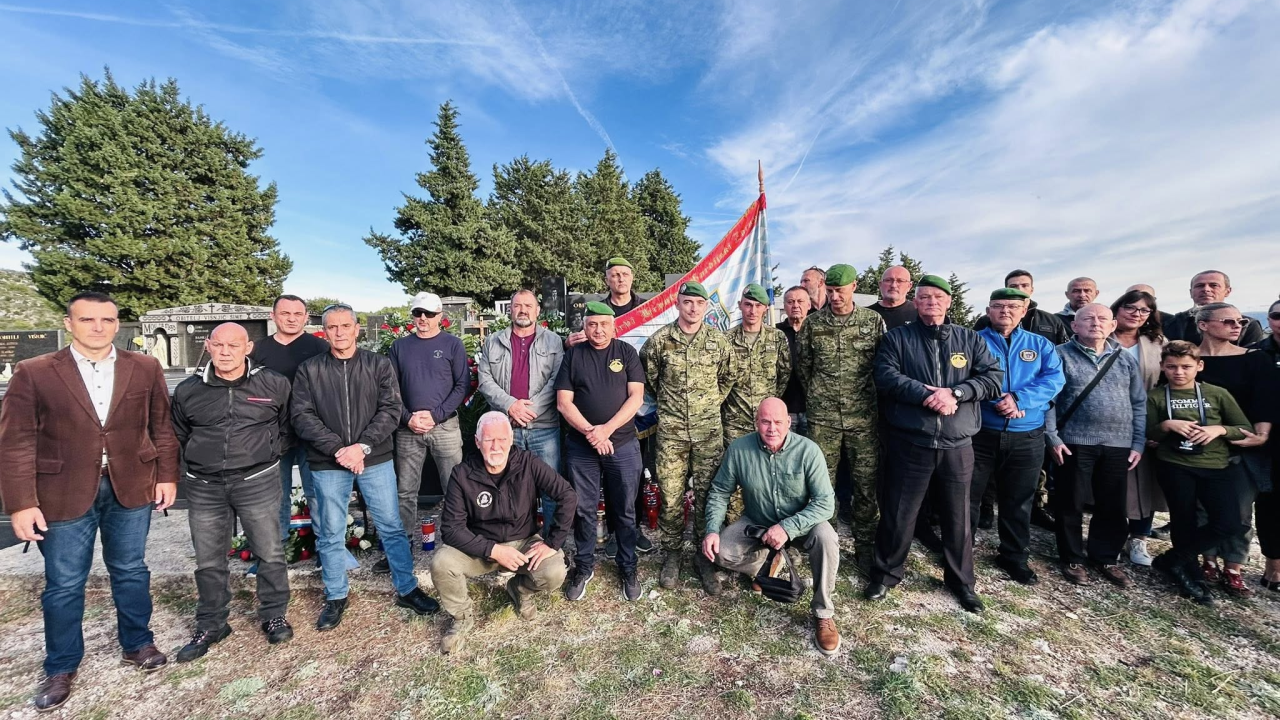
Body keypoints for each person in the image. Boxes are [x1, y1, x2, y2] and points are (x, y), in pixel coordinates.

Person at [0, 291, 179, 711]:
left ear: (117, 324)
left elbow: (162, 427)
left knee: (131, 570)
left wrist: (167, 476)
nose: (97, 327)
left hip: (130, 485)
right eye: (87, 320)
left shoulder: (145, 367)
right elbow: (16, 443)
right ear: (69, 324)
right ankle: (61, 665)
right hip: (62, 491)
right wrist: (22, 503)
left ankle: (137, 643)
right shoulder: (35, 372)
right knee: (64, 583)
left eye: (106, 320)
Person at [291, 304, 440, 630]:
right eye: (333, 327)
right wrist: (338, 449)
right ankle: (335, 595)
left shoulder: (378, 365)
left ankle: (406, 587)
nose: (340, 332)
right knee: (330, 532)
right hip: (328, 462)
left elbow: (390, 410)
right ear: (325, 331)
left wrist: (361, 447)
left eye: (346, 326)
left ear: (357, 329)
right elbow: (302, 416)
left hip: (374, 459)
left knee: (391, 525)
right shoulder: (310, 370)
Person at [866, 275, 1003, 612]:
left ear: (948, 302)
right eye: (924, 297)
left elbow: (993, 379)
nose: (930, 303)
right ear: (915, 302)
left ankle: (961, 582)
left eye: (936, 297)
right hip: (911, 440)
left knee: (958, 516)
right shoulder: (898, 338)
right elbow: (885, 376)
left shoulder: (969, 339)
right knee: (899, 513)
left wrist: (956, 393)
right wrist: (927, 395)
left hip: (957, 443)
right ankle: (885, 574)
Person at [170, 323, 294, 661]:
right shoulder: (187, 391)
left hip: (257, 481)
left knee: (269, 551)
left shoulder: (273, 383)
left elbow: (285, 428)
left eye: (233, 345)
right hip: (205, 485)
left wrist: (263, 454)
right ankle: (212, 623)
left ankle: (273, 614)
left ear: (247, 348)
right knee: (209, 559)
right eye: (219, 345)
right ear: (208, 346)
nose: (226, 352)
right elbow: (179, 435)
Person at [701, 399, 841, 655]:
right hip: (757, 521)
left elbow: (825, 503)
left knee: (827, 536)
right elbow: (720, 491)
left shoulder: (809, 451)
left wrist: (788, 528)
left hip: (800, 522)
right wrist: (711, 528)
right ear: (756, 423)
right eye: (765, 421)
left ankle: (823, 613)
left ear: (789, 423)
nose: (772, 428)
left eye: (778, 422)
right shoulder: (739, 449)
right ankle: (766, 565)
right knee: (721, 551)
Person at [432, 412, 575, 653]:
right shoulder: (462, 473)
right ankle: (461, 618)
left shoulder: (528, 463)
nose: (495, 446)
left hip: (523, 545)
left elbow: (567, 495)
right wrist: (493, 550)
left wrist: (552, 541)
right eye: (488, 440)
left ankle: (519, 590)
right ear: (477, 442)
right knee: (441, 562)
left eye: (501, 439)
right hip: (480, 549)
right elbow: (451, 529)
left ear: (511, 441)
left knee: (554, 571)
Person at [639, 281, 733, 592]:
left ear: (706, 307)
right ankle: (672, 555)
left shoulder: (718, 342)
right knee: (670, 496)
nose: (693, 308)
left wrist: (708, 404)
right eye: (687, 302)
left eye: (699, 303)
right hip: (672, 434)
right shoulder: (660, 341)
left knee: (708, 496)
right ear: (677, 304)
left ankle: (704, 556)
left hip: (708, 432)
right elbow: (650, 379)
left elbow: (728, 376)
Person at [1045, 303, 1146, 587]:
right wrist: (1052, 436)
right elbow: (1050, 399)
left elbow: (1138, 402)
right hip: (1074, 441)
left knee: (1112, 504)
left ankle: (1105, 557)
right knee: (1070, 501)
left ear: (1113, 325)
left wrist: (1137, 441)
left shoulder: (1125, 359)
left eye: (1102, 318)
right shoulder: (1060, 355)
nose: (1095, 323)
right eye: (1087, 318)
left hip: (1118, 443)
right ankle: (1072, 557)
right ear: (1074, 326)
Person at [969, 289, 1065, 585]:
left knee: (1018, 499)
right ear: (988, 310)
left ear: (1024, 311)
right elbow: (963, 378)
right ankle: (960, 550)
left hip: (1027, 435)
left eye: (1012, 306)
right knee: (967, 496)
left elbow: (1054, 379)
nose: (1005, 311)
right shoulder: (974, 340)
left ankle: (1013, 556)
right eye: (998, 306)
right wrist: (998, 400)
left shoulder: (1040, 345)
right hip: (980, 432)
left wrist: (1021, 401)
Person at [1147, 341, 1253, 604]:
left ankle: (1173, 559)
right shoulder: (1157, 396)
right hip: (1174, 465)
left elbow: (1243, 428)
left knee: (1228, 522)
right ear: (1162, 367)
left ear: (1199, 366)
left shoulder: (1217, 394)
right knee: (1183, 520)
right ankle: (1191, 576)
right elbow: (1148, 432)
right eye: (1171, 367)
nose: (1178, 372)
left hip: (1215, 466)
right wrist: (1166, 425)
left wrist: (1219, 430)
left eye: (1186, 367)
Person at [796, 264, 885, 567]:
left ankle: (865, 545)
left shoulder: (872, 322)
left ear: (854, 287)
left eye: (840, 291)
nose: (834, 297)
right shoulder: (812, 324)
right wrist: (820, 396)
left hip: (863, 417)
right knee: (823, 484)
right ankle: (826, 541)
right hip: (823, 418)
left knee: (865, 482)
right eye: (830, 291)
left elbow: (881, 367)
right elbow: (804, 367)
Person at [556, 302, 646, 602]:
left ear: (614, 325)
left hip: (622, 445)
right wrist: (591, 434)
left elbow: (636, 399)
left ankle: (628, 567)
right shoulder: (573, 356)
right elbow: (564, 402)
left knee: (625, 509)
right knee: (583, 510)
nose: (598, 330)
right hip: (582, 448)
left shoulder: (626, 353)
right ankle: (583, 567)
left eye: (604, 324)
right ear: (585, 326)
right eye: (592, 324)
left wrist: (605, 430)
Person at [1192, 302, 1276, 597]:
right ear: (1203, 325)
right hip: (1198, 444)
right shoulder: (1189, 358)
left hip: (1243, 442)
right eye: (1227, 321)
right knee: (1201, 506)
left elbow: (1265, 400)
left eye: (1239, 321)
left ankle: (1234, 566)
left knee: (1239, 509)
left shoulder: (1255, 359)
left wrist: (1262, 434)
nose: (1236, 326)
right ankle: (1208, 561)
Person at [384, 291, 469, 572]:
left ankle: (456, 542)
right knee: (406, 490)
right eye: (418, 313)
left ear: (440, 317)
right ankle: (403, 545)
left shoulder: (452, 344)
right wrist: (408, 418)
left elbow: (462, 386)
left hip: (444, 426)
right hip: (409, 429)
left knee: (453, 487)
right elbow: (391, 388)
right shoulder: (399, 347)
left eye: (429, 314)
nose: (422, 318)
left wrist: (436, 415)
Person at [248, 294, 329, 570]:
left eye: (298, 314)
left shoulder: (319, 347)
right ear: (273, 316)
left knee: (317, 492)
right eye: (285, 313)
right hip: (271, 435)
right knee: (273, 495)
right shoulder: (257, 350)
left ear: (306, 317)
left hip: (313, 433)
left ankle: (325, 550)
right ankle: (273, 552)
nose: (292, 319)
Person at [477, 289, 565, 537]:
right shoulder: (493, 341)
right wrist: (510, 405)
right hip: (506, 429)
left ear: (537, 311)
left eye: (528, 306)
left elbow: (557, 380)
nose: (523, 310)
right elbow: (484, 379)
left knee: (550, 490)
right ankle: (513, 542)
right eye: (517, 306)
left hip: (544, 428)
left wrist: (531, 409)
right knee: (508, 488)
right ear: (510, 310)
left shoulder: (553, 341)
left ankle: (551, 544)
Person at [1109, 289, 1168, 566]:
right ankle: (1111, 534)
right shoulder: (1101, 337)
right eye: (1130, 308)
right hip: (1105, 419)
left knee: (1144, 482)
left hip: (1144, 417)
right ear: (1118, 309)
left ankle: (1139, 538)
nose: (1136, 314)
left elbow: (1167, 385)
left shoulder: (1157, 344)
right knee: (1111, 481)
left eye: (1144, 311)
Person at [722, 283, 791, 443]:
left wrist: (769, 402)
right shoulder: (725, 339)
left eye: (758, 306)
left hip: (768, 422)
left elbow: (784, 374)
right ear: (740, 305)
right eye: (748, 305)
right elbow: (720, 379)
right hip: (734, 422)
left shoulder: (777, 338)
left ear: (765, 308)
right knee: (738, 465)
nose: (753, 311)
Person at [1248, 298, 1280, 593]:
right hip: (1266, 441)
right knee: (1270, 503)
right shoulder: (1257, 354)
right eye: (1277, 315)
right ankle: (1273, 565)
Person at [1163, 271, 1265, 345]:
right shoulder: (1174, 323)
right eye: (1200, 286)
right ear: (1191, 292)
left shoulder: (1247, 325)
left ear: (1227, 291)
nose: (1206, 289)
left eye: (1214, 285)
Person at [974, 270, 1069, 344]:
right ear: (1006, 289)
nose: (1020, 289)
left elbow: (1062, 352)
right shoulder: (985, 321)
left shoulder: (1052, 321)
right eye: (1014, 286)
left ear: (1032, 289)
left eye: (1025, 285)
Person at [567, 257, 643, 346]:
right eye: (615, 275)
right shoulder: (596, 310)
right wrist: (568, 344)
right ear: (607, 281)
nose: (621, 279)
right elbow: (582, 341)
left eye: (625, 274)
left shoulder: (648, 307)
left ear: (632, 278)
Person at [776, 286, 811, 433]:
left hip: (812, 409)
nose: (795, 305)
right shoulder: (775, 333)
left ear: (808, 305)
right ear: (784, 306)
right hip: (784, 408)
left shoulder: (816, 331)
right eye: (790, 302)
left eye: (800, 301)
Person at [868, 265, 916, 330]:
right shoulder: (866, 315)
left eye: (900, 281)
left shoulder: (920, 314)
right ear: (880, 284)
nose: (893, 285)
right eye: (888, 280)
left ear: (909, 286)